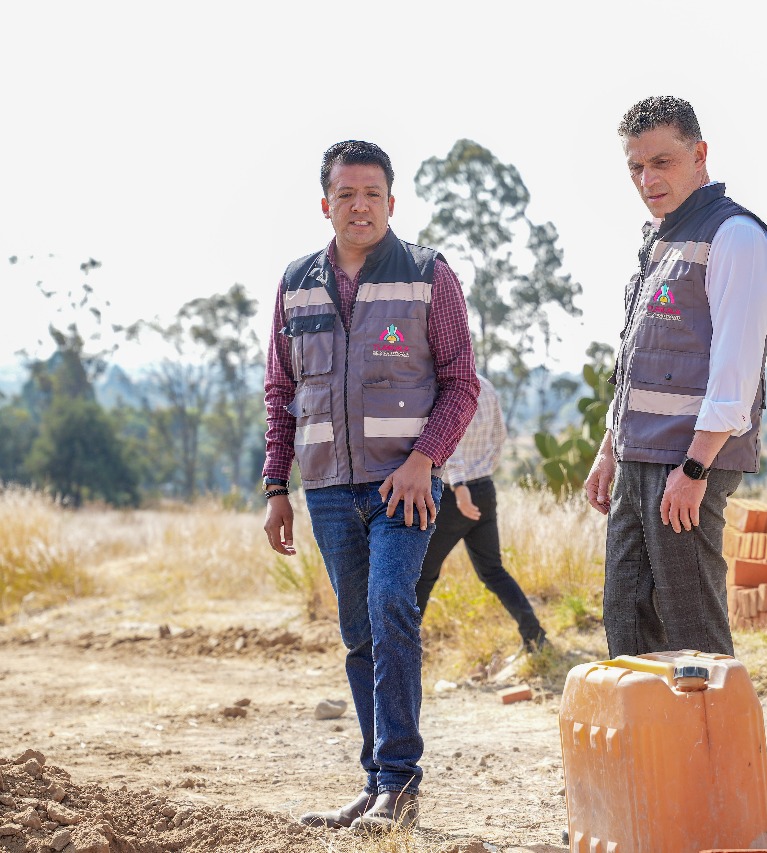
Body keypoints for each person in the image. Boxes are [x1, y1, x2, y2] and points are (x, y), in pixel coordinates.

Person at [261, 140, 478, 833]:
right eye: (346, 195)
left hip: (402, 488)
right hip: (326, 490)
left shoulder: (427, 275)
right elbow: (281, 390)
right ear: (326, 203)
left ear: (392, 201)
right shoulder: (296, 283)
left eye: (373, 194)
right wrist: (276, 486)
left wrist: (426, 459)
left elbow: (461, 384)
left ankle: (401, 782)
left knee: (390, 608)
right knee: (358, 634)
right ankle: (375, 781)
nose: (360, 206)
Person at [584, 96, 767, 658]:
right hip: (638, 455)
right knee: (628, 616)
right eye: (635, 167)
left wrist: (696, 466)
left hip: (690, 461)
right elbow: (636, 360)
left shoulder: (737, 236)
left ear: (700, 154)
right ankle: (652, 746)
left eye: (662, 162)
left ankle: (716, 745)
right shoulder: (661, 240)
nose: (647, 179)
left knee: (689, 621)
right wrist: (609, 448)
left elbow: (735, 370)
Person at [415, 374, 547, 651]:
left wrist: (461, 485)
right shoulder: (486, 385)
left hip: (454, 494)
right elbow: (499, 437)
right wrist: (481, 474)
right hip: (484, 488)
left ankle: (403, 646)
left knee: (422, 573)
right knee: (493, 571)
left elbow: (450, 443)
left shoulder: (446, 388)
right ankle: (535, 636)